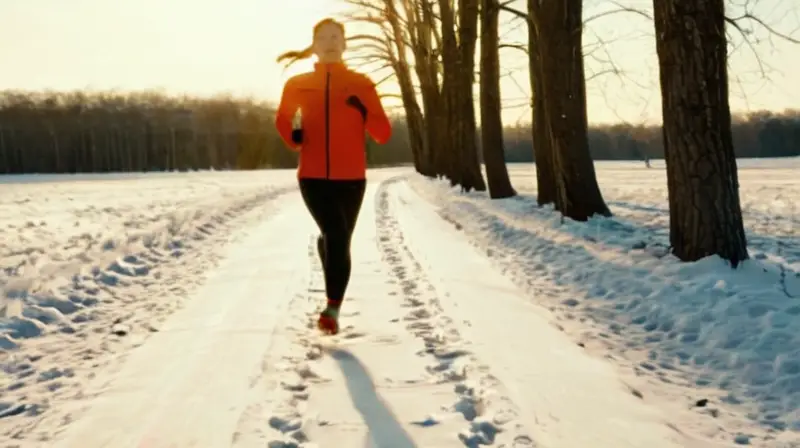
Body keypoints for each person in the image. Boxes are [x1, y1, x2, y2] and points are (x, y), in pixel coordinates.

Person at [274, 18, 392, 335]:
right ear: (314, 45)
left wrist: (364, 111)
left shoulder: (361, 84)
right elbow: (283, 119)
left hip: (352, 178)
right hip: (312, 176)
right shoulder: (298, 84)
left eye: (335, 37)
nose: (329, 42)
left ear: (344, 44)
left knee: (338, 240)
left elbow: (382, 133)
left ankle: (326, 251)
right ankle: (333, 309)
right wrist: (293, 137)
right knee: (337, 233)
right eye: (323, 37)